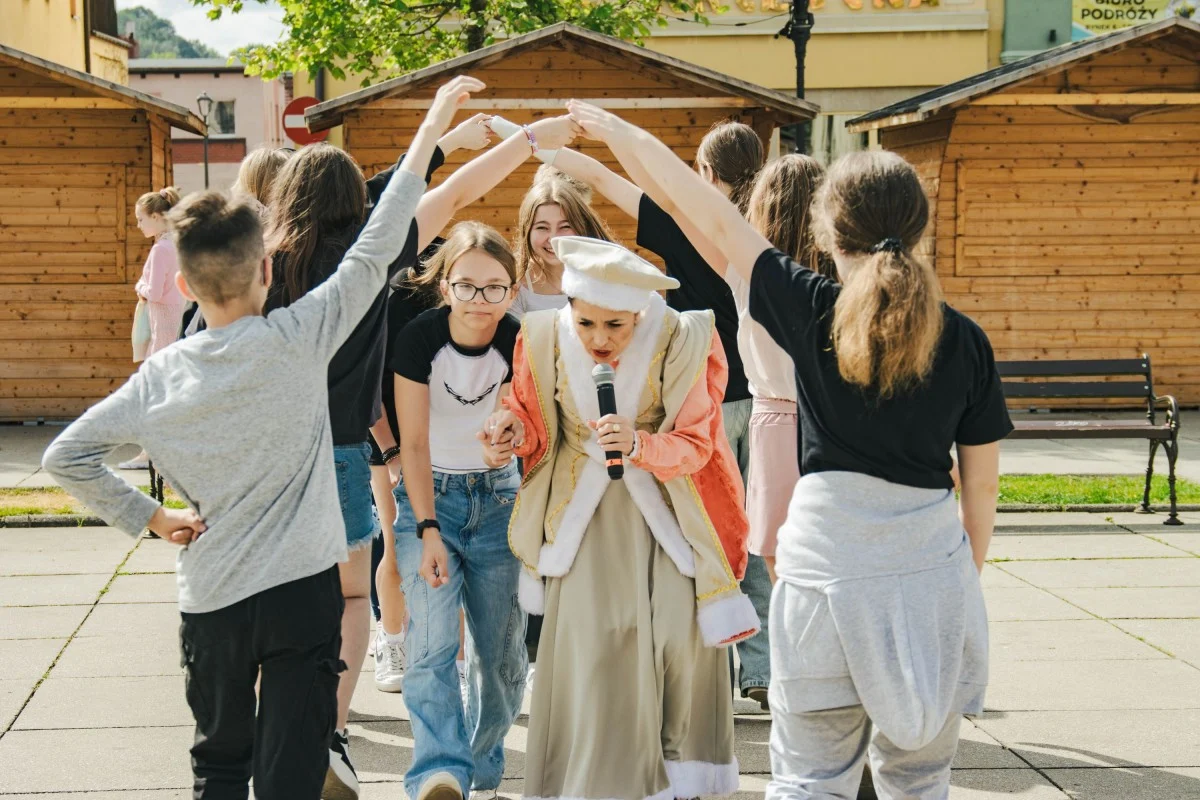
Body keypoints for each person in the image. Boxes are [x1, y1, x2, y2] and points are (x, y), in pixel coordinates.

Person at [39, 73, 480, 800]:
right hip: (301, 594)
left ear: (183, 287)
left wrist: (152, 518)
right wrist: (431, 127)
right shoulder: (299, 337)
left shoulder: (160, 377)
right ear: (267, 269)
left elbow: (67, 456)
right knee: (293, 767)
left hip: (211, 594)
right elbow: (377, 245)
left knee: (219, 764)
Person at [569, 100, 1009, 800]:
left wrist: (621, 134)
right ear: (919, 228)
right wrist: (962, 578)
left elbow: (705, 213)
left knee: (809, 777)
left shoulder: (810, 309)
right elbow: (980, 489)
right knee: (920, 779)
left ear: (830, 234)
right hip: (928, 570)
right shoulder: (967, 341)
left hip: (824, 566)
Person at [482, 235, 760, 800]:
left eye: (616, 325)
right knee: (596, 649)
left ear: (640, 312)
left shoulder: (683, 339)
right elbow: (529, 414)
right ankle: (597, 783)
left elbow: (698, 442)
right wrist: (508, 429)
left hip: (668, 518)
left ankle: (678, 780)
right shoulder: (540, 336)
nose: (599, 340)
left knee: (678, 647)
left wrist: (639, 444)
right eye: (586, 324)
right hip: (582, 524)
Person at [545, 135, 774, 708]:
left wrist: (543, 143)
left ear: (704, 173)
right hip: (769, 405)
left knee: (700, 531)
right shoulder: (764, 244)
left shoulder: (689, 231)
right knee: (756, 542)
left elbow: (607, 180)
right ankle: (764, 666)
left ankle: (711, 666)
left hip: (705, 404)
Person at [391, 221, 526, 800]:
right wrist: (426, 530)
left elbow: (517, 418)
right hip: (431, 498)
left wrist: (507, 435)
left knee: (500, 657)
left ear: (512, 291)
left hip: (498, 500)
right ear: (445, 286)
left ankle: (480, 765)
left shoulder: (518, 341)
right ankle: (439, 773)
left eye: (494, 287)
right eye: (467, 286)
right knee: (431, 647)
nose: (480, 299)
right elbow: (413, 443)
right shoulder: (419, 339)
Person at [121, 186, 186, 471]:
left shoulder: (161, 248)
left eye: (141, 219)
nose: (138, 225)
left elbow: (155, 292)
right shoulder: (179, 243)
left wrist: (139, 286)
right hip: (176, 320)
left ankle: (150, 454)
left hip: (163, 324)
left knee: (153, 390)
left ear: (159, 216)